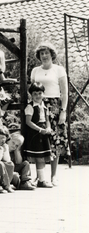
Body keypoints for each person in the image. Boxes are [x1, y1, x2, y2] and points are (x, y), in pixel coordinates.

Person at [31, 42, 69, 186]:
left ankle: (53, 176)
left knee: (55, 141)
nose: (44, 56)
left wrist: (63, 112)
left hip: (54, 106)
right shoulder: (35, 71)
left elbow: (64, 93)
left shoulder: (59, 70)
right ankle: (39, 176)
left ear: (52, 54)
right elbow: (32, 91)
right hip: (39, 105)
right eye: (42, 53)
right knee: (39, 139)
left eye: (47, 53)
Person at [24, 82, 54, 188]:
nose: (38, 96)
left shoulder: (45, 107)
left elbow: (47, 120)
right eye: (35, 94)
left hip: (43, 134)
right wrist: (40, 130)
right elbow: (28, 122)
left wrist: (48, 128)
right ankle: (30, 180)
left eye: (40, 93)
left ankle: (41, 180)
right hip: (34, 134)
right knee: (37, 157)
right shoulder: (30, 107)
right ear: (31, 95)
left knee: (42, 157)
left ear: (43, 94)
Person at [0, 126, 15, 193]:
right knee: (0, 163)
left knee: (10, 164)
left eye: (3, 138)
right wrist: (1, 149)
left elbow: (7, 159)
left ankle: (6, 183)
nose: (0, 140)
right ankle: (6, 186)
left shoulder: (5, 146)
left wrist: (5, 149)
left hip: (2, 165)